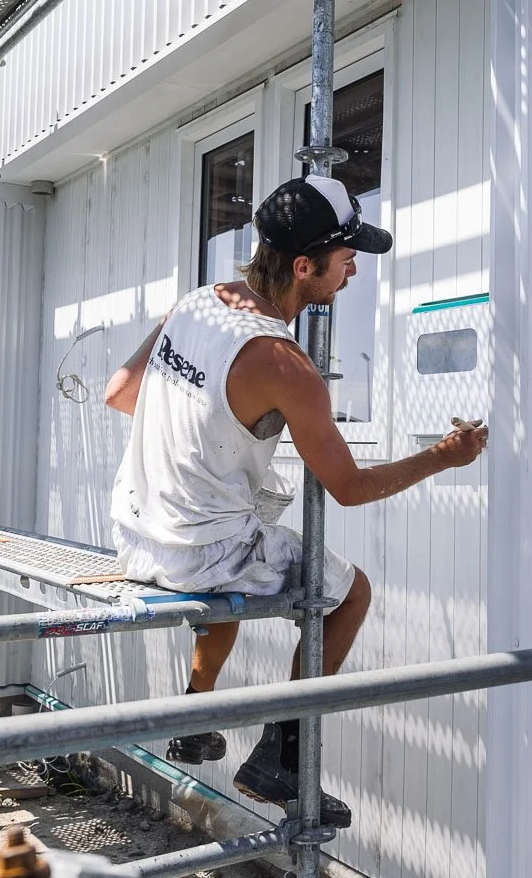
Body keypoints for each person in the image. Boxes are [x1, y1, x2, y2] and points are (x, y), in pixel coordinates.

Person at [104, 174, 488, 828]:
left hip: (137, 534)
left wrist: (212, 418)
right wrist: (444, 456)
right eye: (345, 260)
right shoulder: (285, 364)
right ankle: (281, 756)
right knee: (350, 591)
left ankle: (195, 715)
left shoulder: (197, 303)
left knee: (241, 533)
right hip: (205, 550)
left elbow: (120, 392)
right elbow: (350, 487)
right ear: (304, 266)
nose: (354, 271)